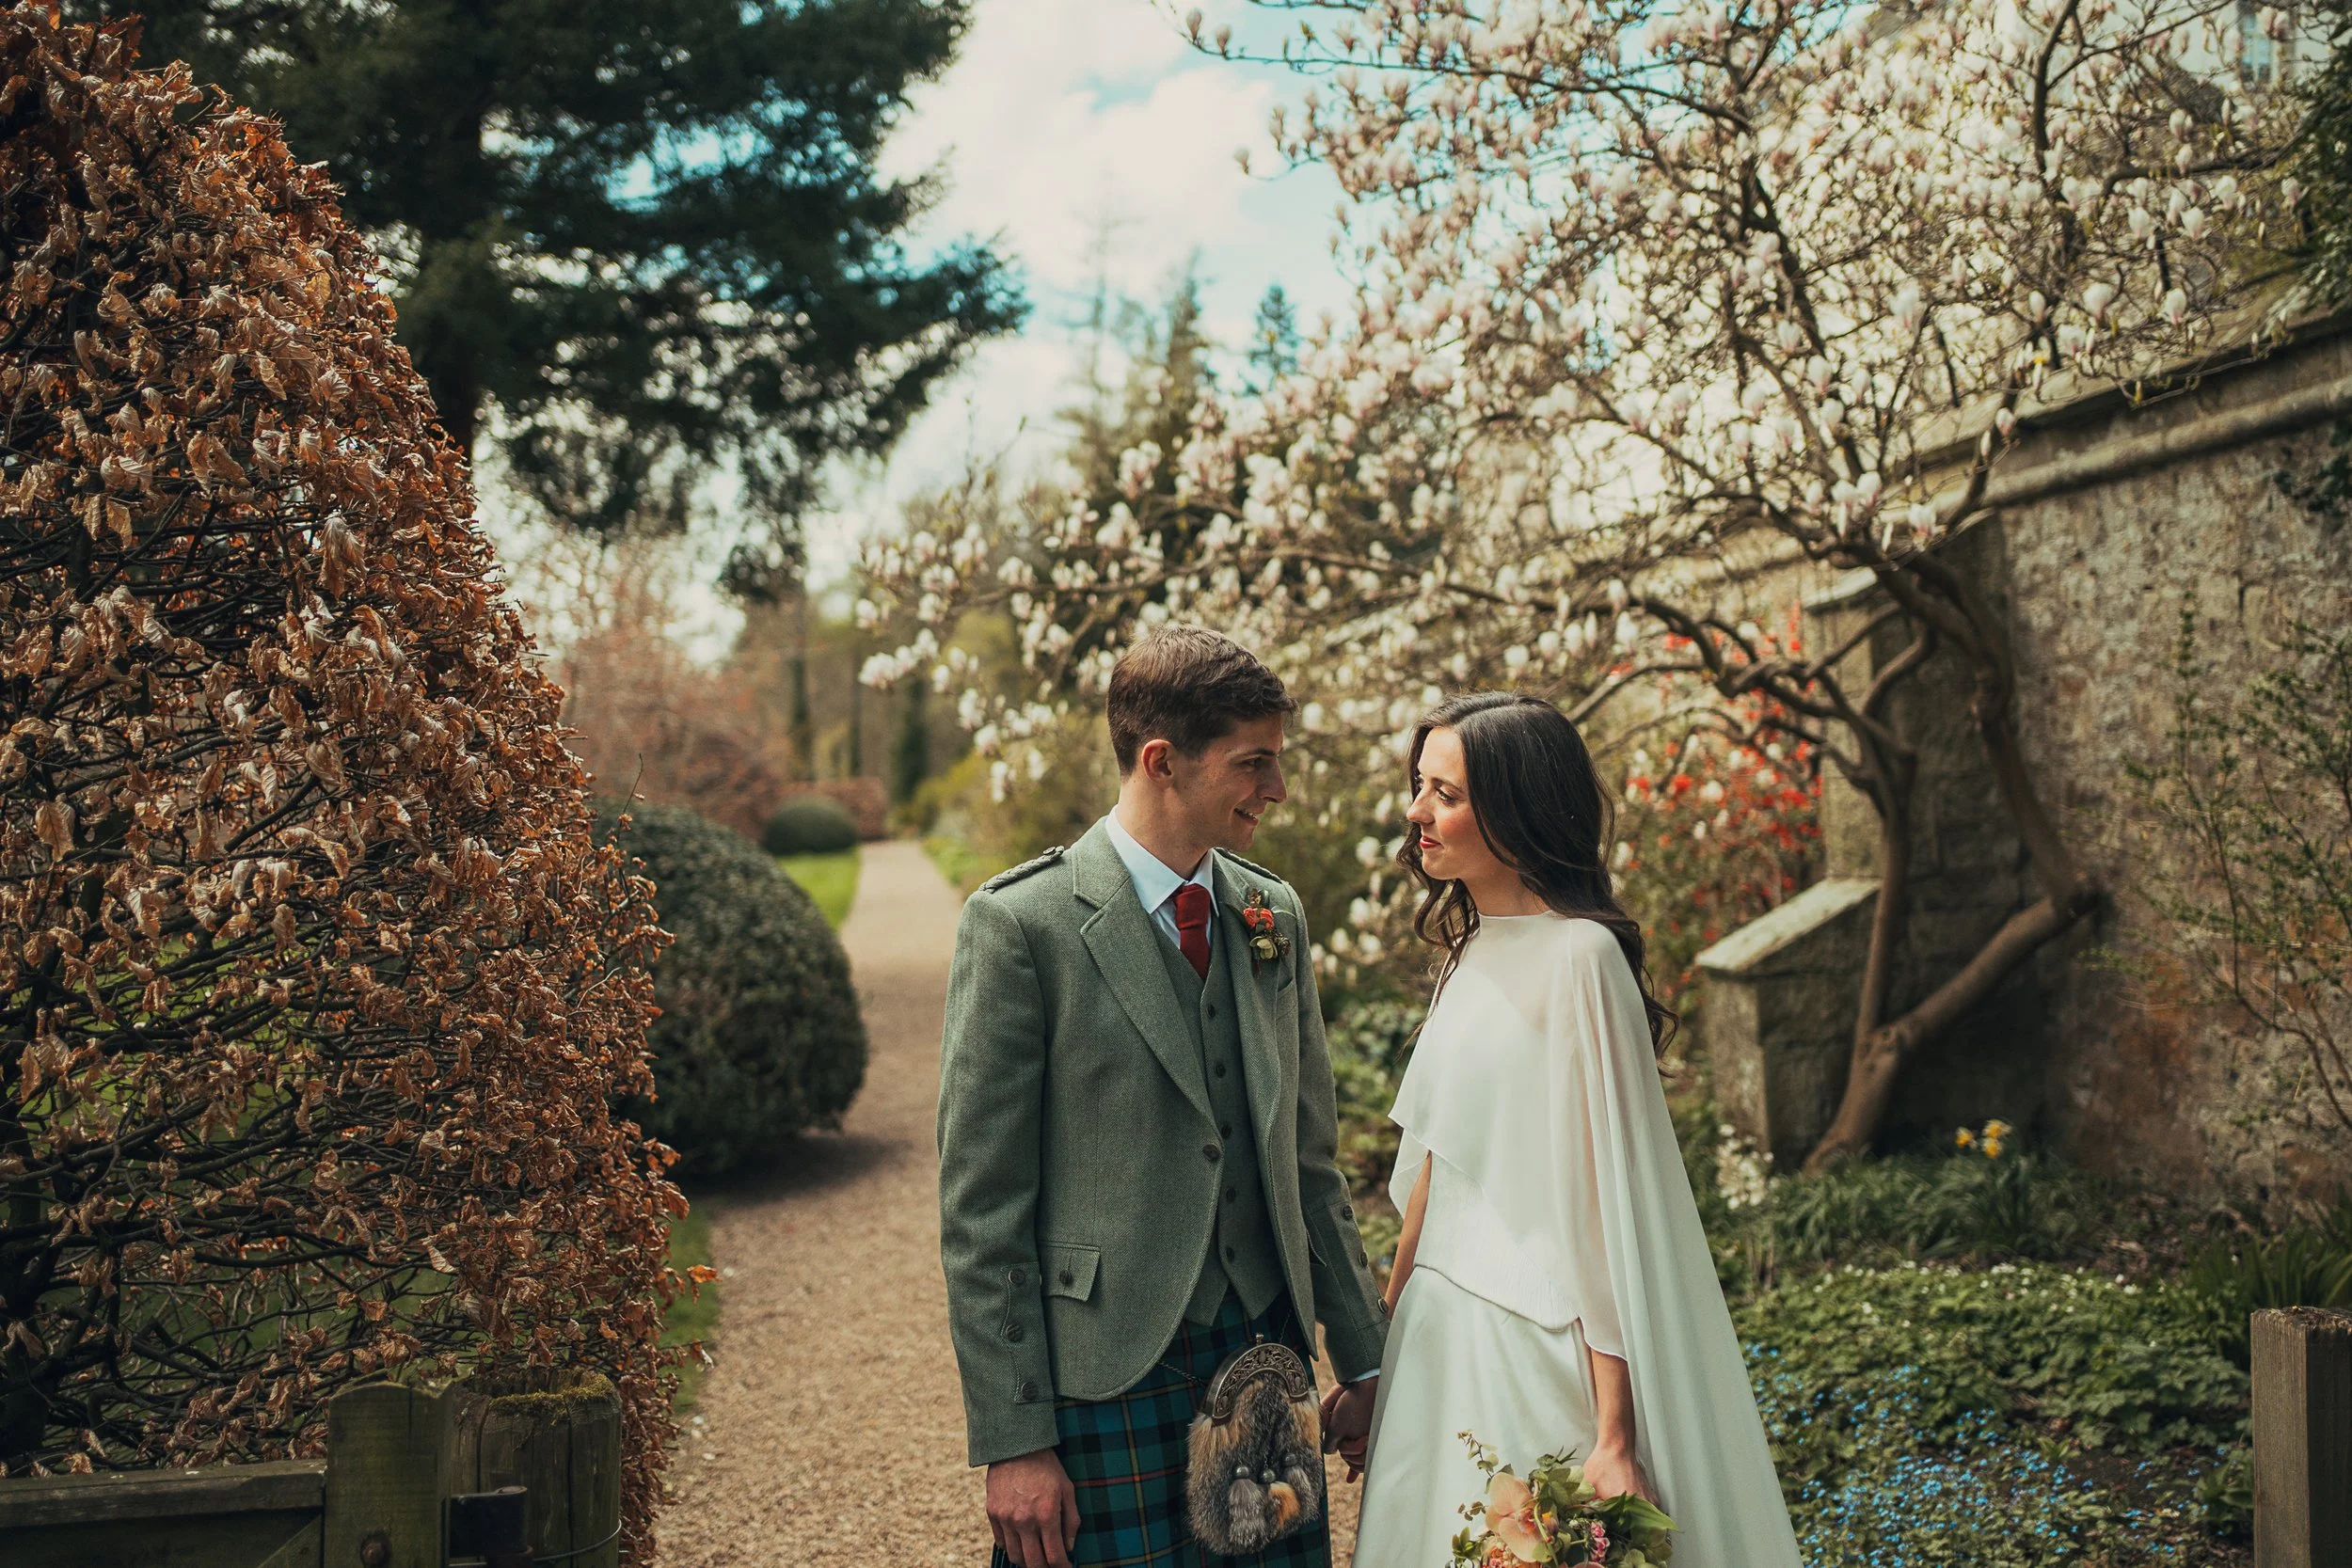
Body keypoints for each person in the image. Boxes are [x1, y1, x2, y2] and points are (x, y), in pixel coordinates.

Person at [937, 626, 1391, 1568]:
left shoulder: (1275, 912)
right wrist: (1014, 1438)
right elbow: (982, 1209)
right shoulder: (1022, 926)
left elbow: (1310, 1165)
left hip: (1263, 1350)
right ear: (1161, 761)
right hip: (1106, 1371)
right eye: (1252, 762)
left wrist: (1366, 1356)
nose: (1277, 787)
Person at [1344, 691, 1803, 1568]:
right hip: (1433, 1344)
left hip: (1532, 1347)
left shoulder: (1582, 958)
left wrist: (1616, 1435)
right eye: (1419, 786)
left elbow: (1602, 1211)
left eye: (1446, 793)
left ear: (1517, 809)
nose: (1415, 812)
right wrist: (1379, 1362)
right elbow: (1433, 1182)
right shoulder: (1468, 950)